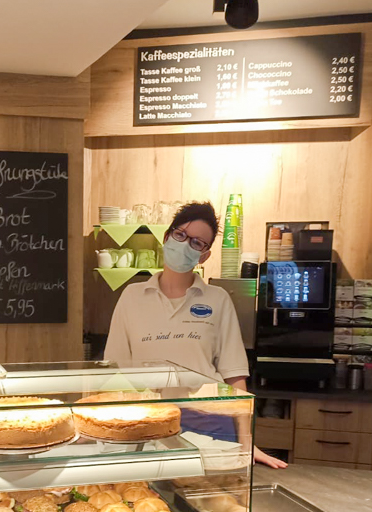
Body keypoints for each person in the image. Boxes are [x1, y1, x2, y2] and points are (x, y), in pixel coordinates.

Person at [104, 201, 287, 469]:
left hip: (209, 419)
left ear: (204, 256)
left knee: (211, 504)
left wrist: (248, 443)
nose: (186, 245)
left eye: (197, 243)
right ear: (166, 237)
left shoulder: (218, 299)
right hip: (148, 420)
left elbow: (234, 376)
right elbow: (114, 372)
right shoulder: (132, 297)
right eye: (181, 236)